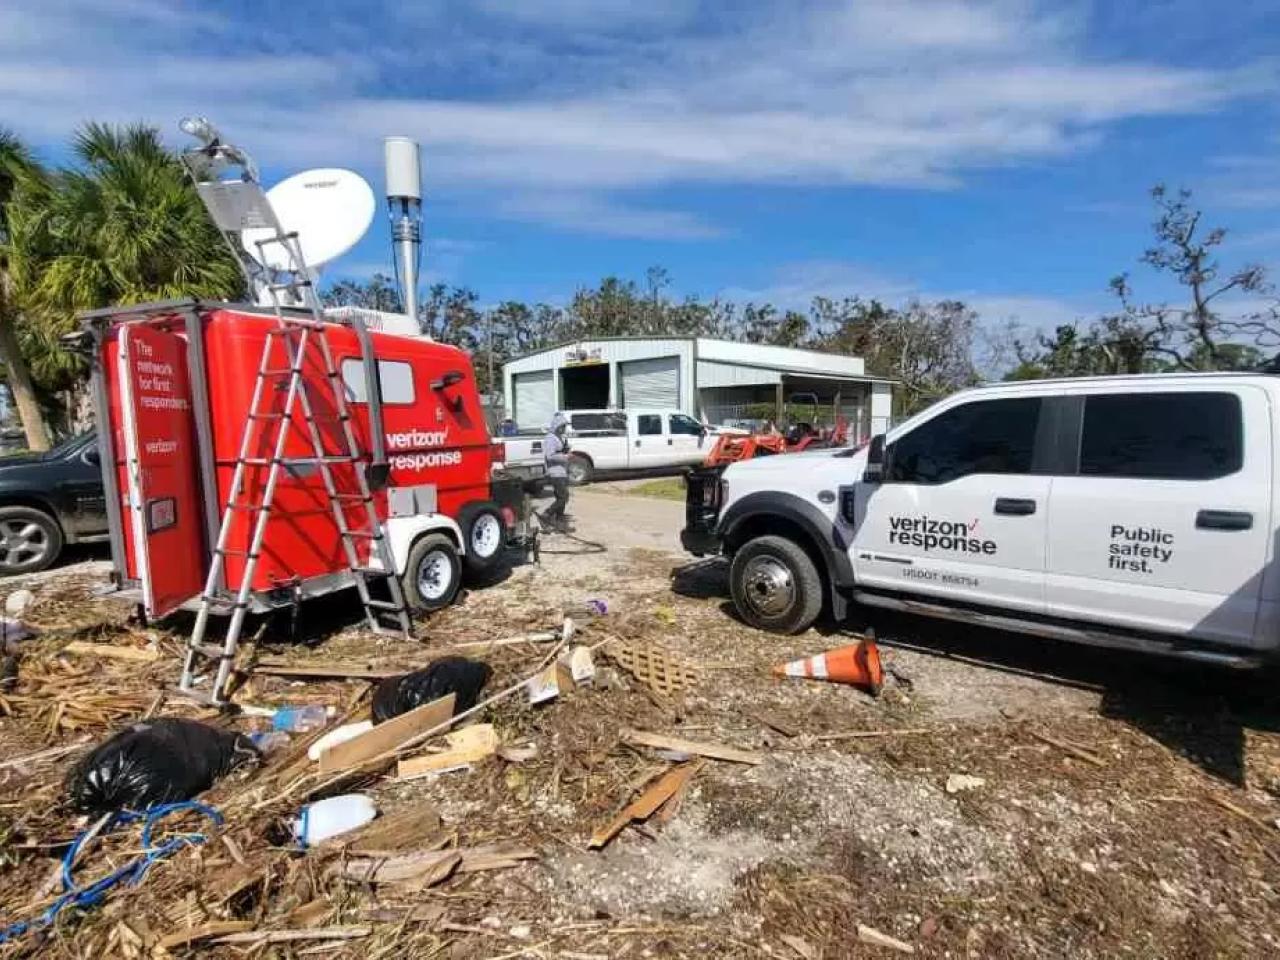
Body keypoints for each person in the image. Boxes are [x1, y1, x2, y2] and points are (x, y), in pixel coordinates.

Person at [540, 412, 571, 530]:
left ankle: (559, 521)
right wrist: (565, 456)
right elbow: (549, 455)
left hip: (562, 471)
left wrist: (565, 450)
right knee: (563, 497)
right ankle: (546, 514)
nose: (564, 428)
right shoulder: (550, 438)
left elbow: (560, 452)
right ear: (557, 426)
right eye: (563, 426)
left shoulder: (559, 438)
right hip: (555, 472)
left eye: (565, 426)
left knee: (561, 498)